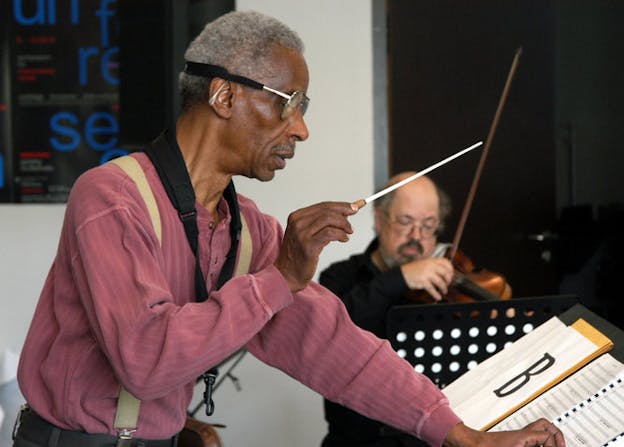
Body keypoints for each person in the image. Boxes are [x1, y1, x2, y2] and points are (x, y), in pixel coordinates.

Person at [14, 11, 564, 447]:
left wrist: (460, 434)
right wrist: (281, 278)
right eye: (288, 104)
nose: (300, 128)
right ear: (224, 95)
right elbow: (146, 362)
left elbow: (337, 348)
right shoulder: (110, 196)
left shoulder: (247, 229)